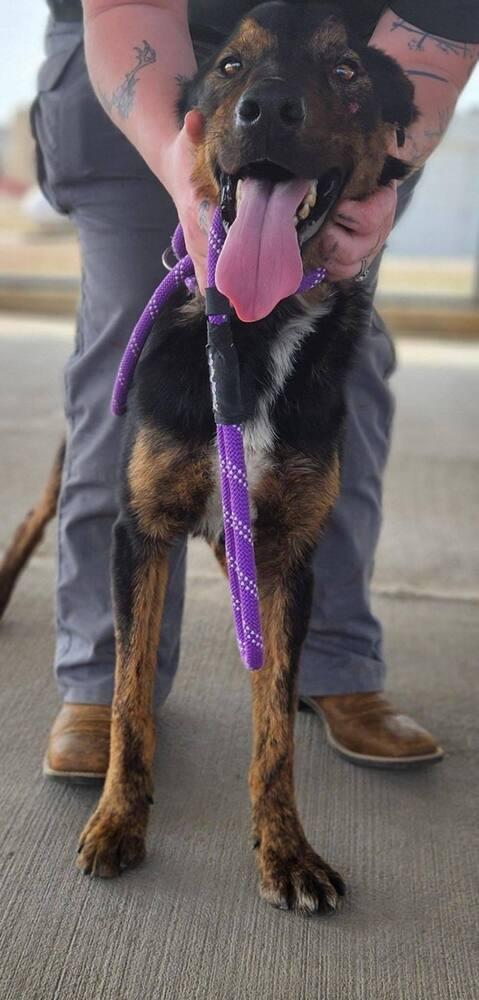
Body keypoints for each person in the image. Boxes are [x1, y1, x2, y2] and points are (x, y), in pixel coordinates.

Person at [39, 0, 478, 779]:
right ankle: (103, 680)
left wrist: (388, 169)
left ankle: (336, 659)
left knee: (345, 361)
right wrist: (182, 169)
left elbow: (439, 27)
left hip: (351, 88)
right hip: (148, 60)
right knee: (127, 341)